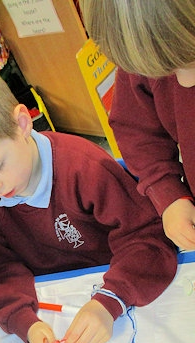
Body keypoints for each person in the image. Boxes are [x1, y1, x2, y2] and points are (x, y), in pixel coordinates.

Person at [0, 57, 178, 343]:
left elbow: (148, 240)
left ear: (22, 123)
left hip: (124, 294)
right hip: (57, 308)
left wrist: (111, 300)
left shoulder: (84, 168)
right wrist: (27, 323)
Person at [78, 0, 195, 251]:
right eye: (169, 72)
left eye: (191, 62)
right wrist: (169, 194)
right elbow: (137, 131)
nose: (184, 83)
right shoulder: (153, 43)